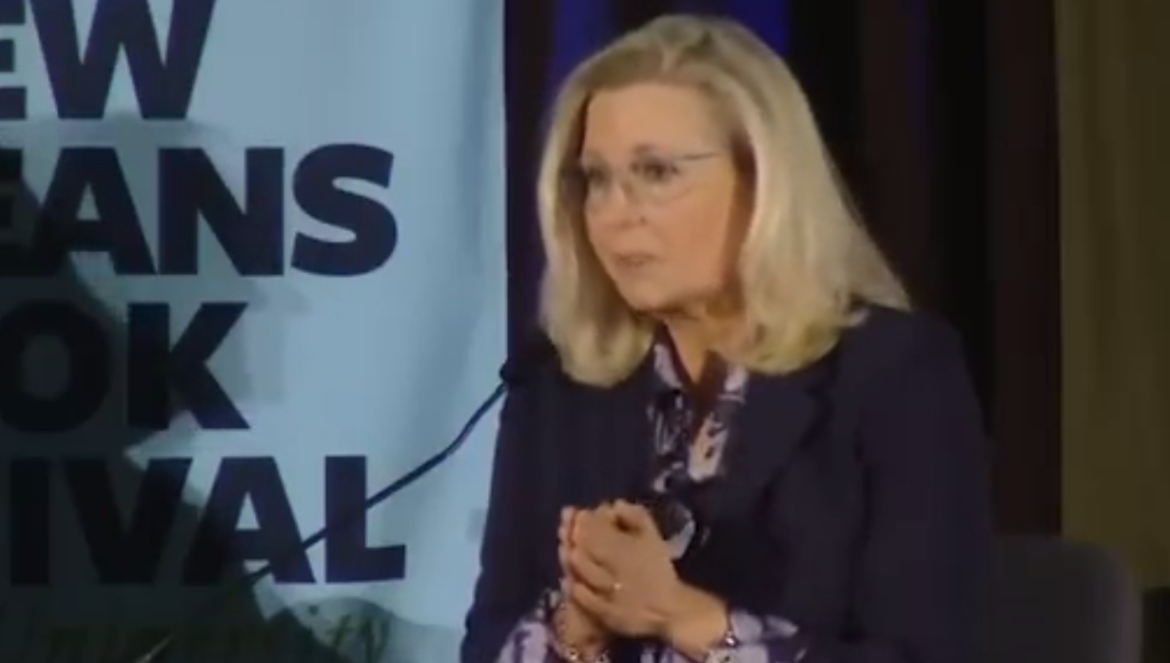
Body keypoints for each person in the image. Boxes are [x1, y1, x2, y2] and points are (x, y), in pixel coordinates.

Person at [462, 14, 990, 663]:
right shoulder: (559, 384)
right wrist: (578, 624)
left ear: (763, 180)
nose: (616, 213)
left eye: (656, 172)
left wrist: (685, 617)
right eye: (595, 180)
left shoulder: (894, 377)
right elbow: (487, 643)